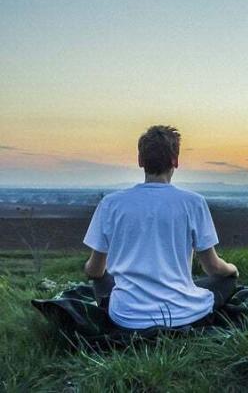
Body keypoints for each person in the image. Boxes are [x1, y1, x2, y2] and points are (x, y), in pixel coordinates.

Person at [82, 125, 239, 330]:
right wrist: (232, 269)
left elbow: (94, 270)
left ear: (140, 161)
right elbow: (213, 268)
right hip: (182, 314)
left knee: (102, 279)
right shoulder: (194, 203)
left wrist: (98, 272)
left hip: (126, 316)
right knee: (226, 281)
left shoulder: (111, 204)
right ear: (175, 161)